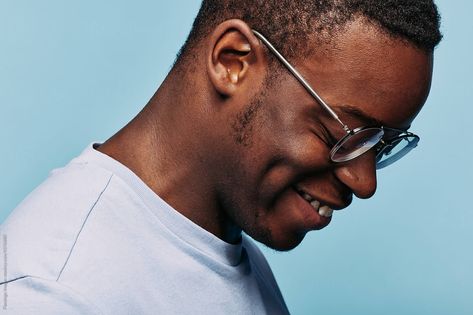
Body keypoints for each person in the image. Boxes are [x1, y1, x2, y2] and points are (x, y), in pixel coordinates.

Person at [0, 1, 442, 314]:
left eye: (380, 145)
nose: (364, 183)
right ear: (233, 60)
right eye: (344, 133)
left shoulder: (220, 248)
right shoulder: (55, 293)